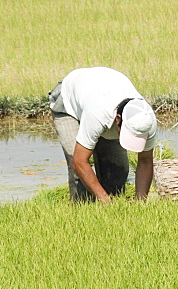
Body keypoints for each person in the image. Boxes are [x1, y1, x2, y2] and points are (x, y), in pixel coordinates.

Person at [48, 67, 158, 202]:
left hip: (98, 93)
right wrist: (105, 200)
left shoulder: (146, 119)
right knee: (79, 174)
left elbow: (145, 161)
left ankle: (110, 212)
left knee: (118, 170)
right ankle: (82, 213)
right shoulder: (98, 114)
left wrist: (141, 203)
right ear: (118, 120)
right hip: (68, 104)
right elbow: (79, 162)